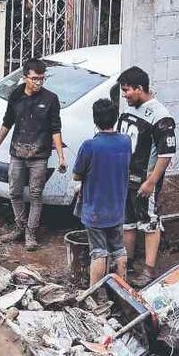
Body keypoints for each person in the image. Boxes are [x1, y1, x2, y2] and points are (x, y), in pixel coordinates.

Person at [0, 58, 67, 250]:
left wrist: (61, 157)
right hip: (17, 152)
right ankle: (20, 227)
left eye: (41, 78)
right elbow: (7, 122)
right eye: (34, 78)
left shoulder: (51, 99)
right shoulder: (16, 96)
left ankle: (31, 233)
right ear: (25, 78)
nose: (38, 82)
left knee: (35, 194)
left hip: (39, 155)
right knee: (14, 192)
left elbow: (56, 129)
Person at [115, 66, 177, 286]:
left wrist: (151, 181)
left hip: (144, 181)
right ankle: (127, 262)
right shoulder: (129, 109)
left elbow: (166, 153)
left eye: (127, 91)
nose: (125, 95)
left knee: (149, 222)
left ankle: (149, 269)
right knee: (128, 222)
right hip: (125, 178)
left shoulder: (161, 117)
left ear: (140, 88)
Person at [73, 99, 131, 286]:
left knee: (98, 252)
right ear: (115, 118)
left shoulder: (90, 146)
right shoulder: (125, 141)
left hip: (96, 210)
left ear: (95, 120)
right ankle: (123, 291)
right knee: (119, 250)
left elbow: (76, 175)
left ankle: (95, 294)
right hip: (117, 208)